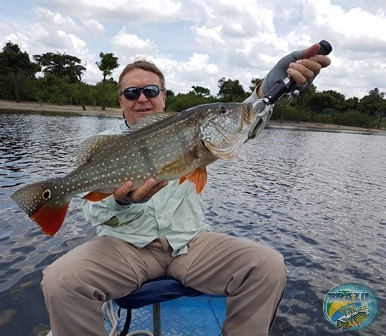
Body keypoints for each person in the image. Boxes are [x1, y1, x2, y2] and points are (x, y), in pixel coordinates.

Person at [41, 43, 331, 336]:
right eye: (131, 93)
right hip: (125, 247)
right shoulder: (106, 143)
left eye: (151, 91)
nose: (142, 98)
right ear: (121, 101)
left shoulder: (191, 129)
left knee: (267, 266)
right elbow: (93, 212)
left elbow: (241, 121)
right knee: (60, 281)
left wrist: (268, 89)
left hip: (190, 243)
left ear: (163, 96)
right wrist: (121, 202)